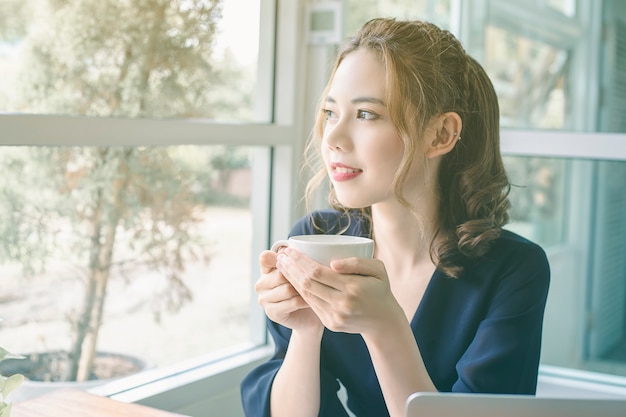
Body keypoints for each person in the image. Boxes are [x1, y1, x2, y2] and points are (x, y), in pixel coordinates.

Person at [240, 17, 550, 417]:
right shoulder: (316, 238)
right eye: (331, 112)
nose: (332, 138)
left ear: (440, 135)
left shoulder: (513, 270)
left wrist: (385, 326)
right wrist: (305, 329)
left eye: (366, 114)